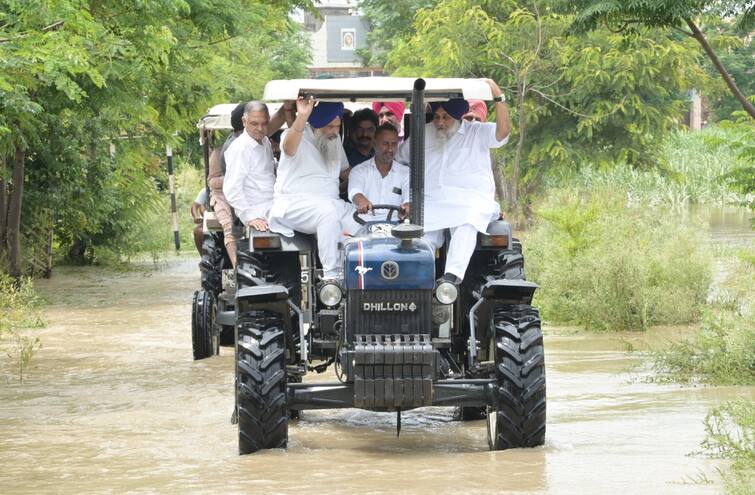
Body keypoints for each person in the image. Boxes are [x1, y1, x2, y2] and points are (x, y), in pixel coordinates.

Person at [397, 79, 511, 284]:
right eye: (438, 116)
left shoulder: (477, 132)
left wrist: (498, 97)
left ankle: (450, 280)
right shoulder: (424, 133)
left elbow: (503, 133)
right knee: (422, 235)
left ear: (458, 117)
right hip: (431, 202)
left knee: (467, 222)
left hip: (471, 201)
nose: (440, 122)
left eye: (446, 117)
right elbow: (401, 161)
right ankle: (418, 286)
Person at [268, 99, 358, 281]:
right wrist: (302, 115)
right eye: (329, 126)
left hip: (332, 203)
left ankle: (366, 279)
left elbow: (346, 172)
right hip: (295, 204)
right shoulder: (293, 135)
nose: (334, 131)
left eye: (337, 126)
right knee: (328, 214)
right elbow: (289, 147)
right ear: (316, 125)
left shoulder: (334, 140)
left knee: (365, 223)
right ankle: (332, 279)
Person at [223, 101, 278, 240]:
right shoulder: (239, 148)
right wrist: (250, 218)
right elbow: (232, 189)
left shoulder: (265, 141)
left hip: (274, 208)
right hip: (258, 215)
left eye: (264, 123)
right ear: (244, 121)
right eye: (254, 124)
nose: (260, 128)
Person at [206, 102, 245, 266]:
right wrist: (233, 177)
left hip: (249, 193)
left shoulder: (261, 146)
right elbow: (212, 181)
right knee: (229, 227)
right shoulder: (219, 152)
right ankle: (237, 267)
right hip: (223, 196)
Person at [348, 124, 410, 223]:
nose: (390, 149)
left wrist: (407, 205)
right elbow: (354, 191)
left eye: (394, 144)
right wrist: (361, 201)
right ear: (374, 143)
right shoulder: (359, 170)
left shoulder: (406, 173)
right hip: (363, 224)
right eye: (385, 144)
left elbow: (409, 196)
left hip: (396, 226)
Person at [191, 188, 208, 255]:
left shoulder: (231, 187)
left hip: (229, 220)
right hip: (209, 221)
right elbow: (194, 206)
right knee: (198, 231)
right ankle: (204, 258)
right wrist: (196, 216)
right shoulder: (206, 190)